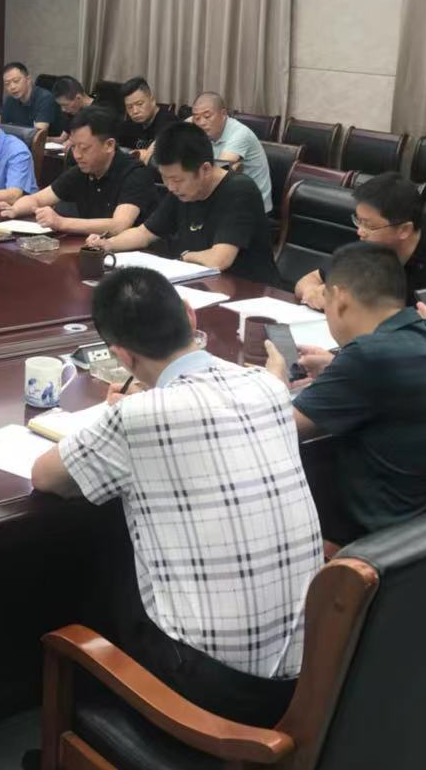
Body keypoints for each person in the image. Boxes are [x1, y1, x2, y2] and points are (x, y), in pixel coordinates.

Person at [31, 267, 322, 726]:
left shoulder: (137, 416)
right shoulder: (268, 386)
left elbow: (45, 477)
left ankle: (77, 727)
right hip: (306, 670)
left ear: (121, 356)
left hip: (217, 692)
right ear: (190, 315)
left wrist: (124, 413)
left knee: (103, 560)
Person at [264, 242, 426, 541]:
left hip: (402, 541)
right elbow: (395, 380)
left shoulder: (367, 356)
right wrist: (337, 367)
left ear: (339, 297)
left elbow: (280, 426)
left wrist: (274, 383)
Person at [87, 122, 280, 284]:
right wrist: (108, 244)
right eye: (165, 178)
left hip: (251, 294)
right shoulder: (183, 190)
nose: (170, 187)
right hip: (201, 286)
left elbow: (219, 260)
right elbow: (144, 233)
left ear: (205, 170)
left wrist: (185, 256)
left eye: (177, 179)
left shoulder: (240, 190)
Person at [295, 172, 426, 312]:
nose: (360, 231)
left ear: (404, 230)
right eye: (358, 221)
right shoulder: (365, 245)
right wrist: (311, 292)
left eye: (369, 225)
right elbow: (309, 279)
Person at [0, 108, 157, 236]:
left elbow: (119, 225)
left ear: (109, 145)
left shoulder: (135, 174)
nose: (77, 155)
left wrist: (61, 223)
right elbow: (37, 199)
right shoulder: (83, 170)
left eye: (84, 148)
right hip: (94, 249)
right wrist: (13, 210)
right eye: (74, 146)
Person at [188, 92, 272, 212]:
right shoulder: (199, 127)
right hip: (225, 197)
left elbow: (220, 172)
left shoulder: (240, 134)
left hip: (252, 207)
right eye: (197, 118)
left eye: (207, 116)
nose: (201, 122)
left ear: (223, 114)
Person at [121, 77, 177, 164]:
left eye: (139, 104)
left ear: (152, 100)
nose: (135, 111)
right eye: (129, 107)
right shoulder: (129, 124)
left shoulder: (169, 123)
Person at [0, 61, 60, 132]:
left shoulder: (45, 98)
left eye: (16, 81)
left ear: (28, 80)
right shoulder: (10, 100)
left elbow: (38, 135)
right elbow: (0, 128)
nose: (12, 87)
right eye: (7, 84)